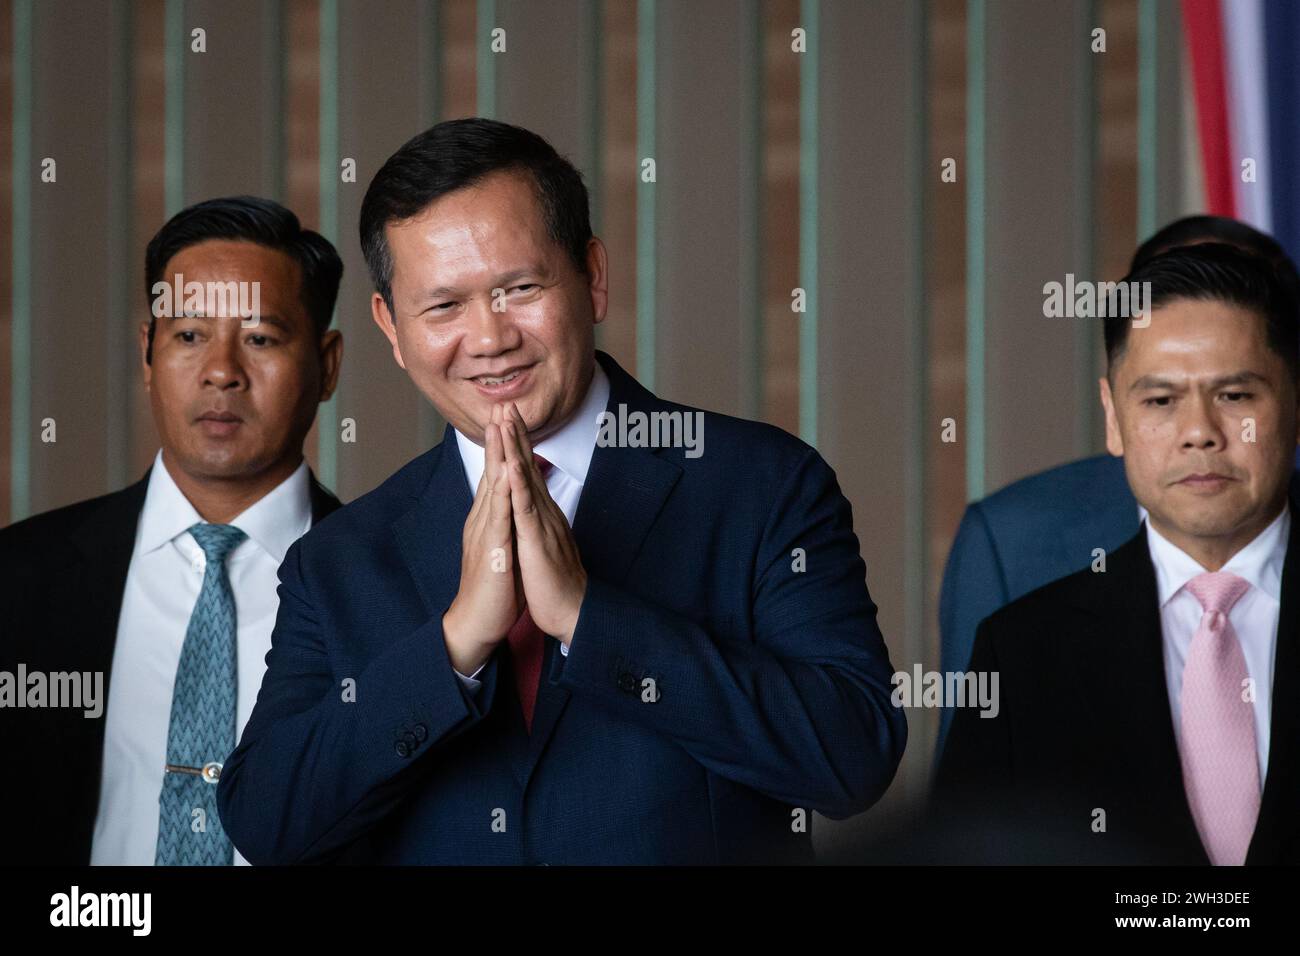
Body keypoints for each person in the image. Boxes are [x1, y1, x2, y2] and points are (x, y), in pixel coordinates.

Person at [216, 118, 906, 865]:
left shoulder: (761, 484)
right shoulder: (340, 559)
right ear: (390, 325)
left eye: (519, 288)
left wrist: (587, 616)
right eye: (444, 306)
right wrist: (453, 647)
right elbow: (267, 821)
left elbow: (853, 757)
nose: (489, 338)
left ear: (593, 275)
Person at [0, 196, 345, 865]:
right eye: (189, 335)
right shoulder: (19, 579)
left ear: (327, 366)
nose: (221, 371)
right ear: (148, 352)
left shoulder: (395, 591)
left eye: (260, 338)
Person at [934, 243, 1300, 864]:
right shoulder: (1023, 651)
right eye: (1160, 401)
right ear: (1113, 417)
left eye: (1235, 396)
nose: (1199, 431)